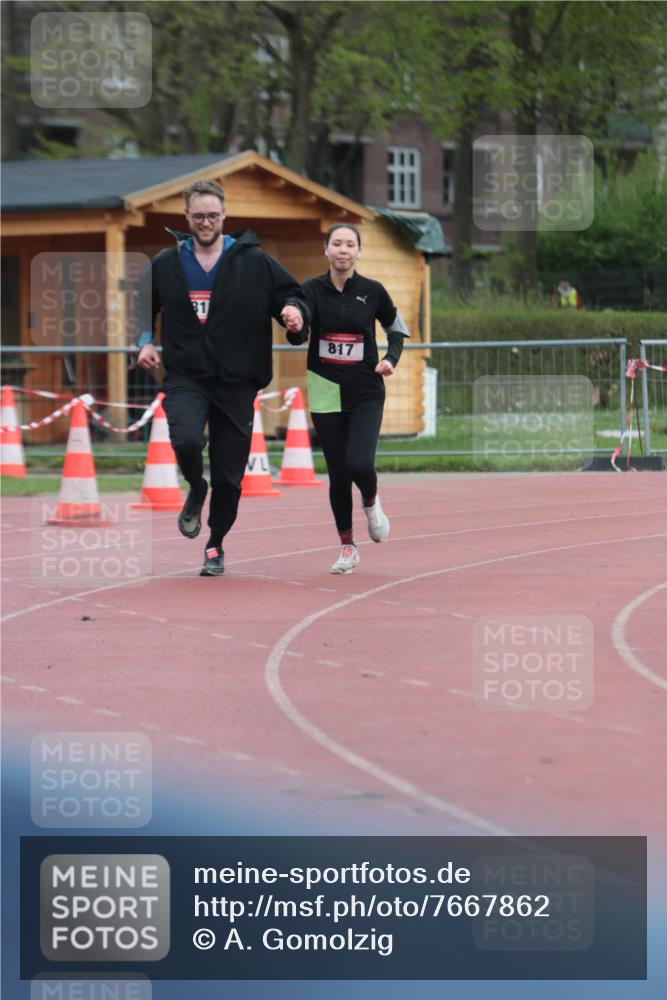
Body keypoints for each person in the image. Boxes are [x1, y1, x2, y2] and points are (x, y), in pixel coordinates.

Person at [136, 179, 308, 576]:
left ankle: (215, 544)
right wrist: (145, 341)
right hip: (187, 374)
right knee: (187, 438)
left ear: (224, 215)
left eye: (213, 215)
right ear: (186, 216)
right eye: (198, 216)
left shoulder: (253, 260)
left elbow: (291, 294)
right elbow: (143, 301)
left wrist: (294, 316)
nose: (206, 222)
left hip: (237, 378)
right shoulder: (166, 262)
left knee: (230, 476)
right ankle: (197, 487)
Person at [290, 222, 409, 574]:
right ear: (326, 249)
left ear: (358, 252)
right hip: (326, 388)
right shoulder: (310, 289)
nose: (343, 250)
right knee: (339, 474)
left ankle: (371, 502)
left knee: (359, 464)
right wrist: (296, 325)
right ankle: (347, 546)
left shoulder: (373, 291)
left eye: (349, 244)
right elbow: (300, 334)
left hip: (366, 389)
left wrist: (390, 359)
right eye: (336, 244)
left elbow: (396, 329)